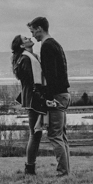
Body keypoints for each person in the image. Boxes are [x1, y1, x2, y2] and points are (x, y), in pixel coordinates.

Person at [27, 16, 71, 175]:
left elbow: (51, 75)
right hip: (64, 94)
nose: (33, 35)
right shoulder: (55, 44)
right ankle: (65, 170)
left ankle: (62, 172)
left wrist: (49, 98)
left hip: (56, 96)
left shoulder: (46, 46)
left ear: (39, 28)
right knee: (61, 136)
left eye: (33, 31)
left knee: (54, 136)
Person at [11, 34, 47, 174]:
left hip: (33, 98)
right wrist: (41, 97)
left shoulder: (30, 57)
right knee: (35, 133)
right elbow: (32, 83)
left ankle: (30, 166)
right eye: (25, 39)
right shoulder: (26, 59)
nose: (29, 39)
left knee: (36, 132)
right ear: (22, 46)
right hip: (34, 99)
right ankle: (29, 167)